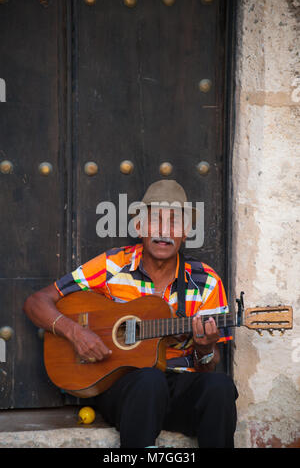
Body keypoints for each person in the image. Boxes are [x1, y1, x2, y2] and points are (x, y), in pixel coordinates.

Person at [23, 180, 238, 448]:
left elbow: (207, 365)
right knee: (149, 379)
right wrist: (75, 332)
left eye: (174, 222)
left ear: (186, 233)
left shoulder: (206, 281)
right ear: (138, 227)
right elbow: (37, 302)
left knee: (220, 387)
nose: (164, 231)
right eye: (155, 220)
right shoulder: (113, 265)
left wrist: (205, 349)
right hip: (125, 391)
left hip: (179, 386)